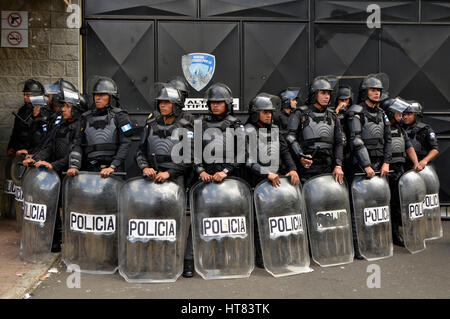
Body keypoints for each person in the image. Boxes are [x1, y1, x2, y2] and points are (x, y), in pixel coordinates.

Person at [183, 82, 243, 278]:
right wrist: (200, 170)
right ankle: (189, 261)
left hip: (227, 179)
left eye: (219, 102)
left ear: (227, 103)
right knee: (199, 220)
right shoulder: (200, 124)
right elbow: (193, 152)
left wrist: (226, 171)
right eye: (212, 103)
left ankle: (224, 259)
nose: (215, 106)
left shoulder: (235, 125)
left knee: (226, 221)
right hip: (205, 179)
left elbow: (241, 153)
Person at [22, 87, 88, 252]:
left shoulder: (82, 127)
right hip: (57, 175)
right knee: (54, 205)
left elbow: (75, 150)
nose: (63, 109)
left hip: (73, 175)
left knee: (72, 211)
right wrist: (36, 159)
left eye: (67, 106)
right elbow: (50, 146)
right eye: (63, 106)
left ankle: (76, 244)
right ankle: (55, 240)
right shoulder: (61, 125)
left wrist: (54, 165)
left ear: (77, 109)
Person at [244, 92, 300, 268]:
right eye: (264, 112)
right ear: (255, 113)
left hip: (274, 181)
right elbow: (247, 160)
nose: (269, 115)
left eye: (270, 112)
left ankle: (279, 252)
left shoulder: (275, 129)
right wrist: (265, 173)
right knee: (258, 220)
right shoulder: (247, 131)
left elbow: (284, 152)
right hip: (255, 181)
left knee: (276, 219)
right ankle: (261, 257)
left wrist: (292, 169)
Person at [347, 74, 392, 258]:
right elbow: (356, 140)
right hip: (360, 167)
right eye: (373, 90)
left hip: (379, 165)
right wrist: (366, 165)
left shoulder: (382, 113)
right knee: (359, 208)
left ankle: (374, 243)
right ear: (365, 91)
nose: (376, 93)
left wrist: (386, 162)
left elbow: (388, 139)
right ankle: (359, 247)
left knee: (377, 207)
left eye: (379, 90)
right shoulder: (355, 111)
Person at [67, 77, 132, 178]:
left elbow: (125, 143)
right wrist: (74, 166)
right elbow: (77, 144)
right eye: (96, 95)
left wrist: (113, 166)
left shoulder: (121, 116)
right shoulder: (85, 117)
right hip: (91, 169)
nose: (98, 98)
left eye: (102, 95)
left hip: (113, 170)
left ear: (111, 97)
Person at [286, 77, 344, 184]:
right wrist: (300, 156)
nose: (327, 96)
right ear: (314, 94)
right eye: (323, 93)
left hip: (328, 167)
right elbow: (290, 137)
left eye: (328, 93)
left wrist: (338, 165)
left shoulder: (333, 116)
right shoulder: (300, 113)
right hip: (307, 167)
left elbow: (339, 142)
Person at [135, 83, 193, 183]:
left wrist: (169, 173)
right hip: (151, 178)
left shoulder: (185, 127)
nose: (162, 105)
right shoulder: (150, 125)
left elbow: (190, 158)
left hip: (175, 179)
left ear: (176, 105)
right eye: (161, 102)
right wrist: (145, 167)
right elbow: (140, 153)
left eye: (167, 102)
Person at [382, 98, 420, 246]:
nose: (402, 115)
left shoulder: (400, 129)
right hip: (385, 171)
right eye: (398, 112)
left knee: (397, 204)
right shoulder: (382, 128)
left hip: (399, 170)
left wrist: (416, 163)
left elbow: (409, 147)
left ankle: (395, 234)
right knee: (385, 204)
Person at [7, 79, 46, 158]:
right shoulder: (22, 110)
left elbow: (45, 136)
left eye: (28, 95)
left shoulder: (45, 111)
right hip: (20, 152)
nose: (25, 97)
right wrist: (11, 146)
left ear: (37, 96)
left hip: (35, 154)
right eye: (24, 95)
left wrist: (37, 117)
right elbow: (16, 131)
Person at [402, 101, 439, 171]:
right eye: (404, 114)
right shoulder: (400, 129)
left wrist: (424, 161)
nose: (405, 117)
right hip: (403, 167)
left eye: (409, 114)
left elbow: (435, 149)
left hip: (420, 167)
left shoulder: (425, 130)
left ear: (416, 115)